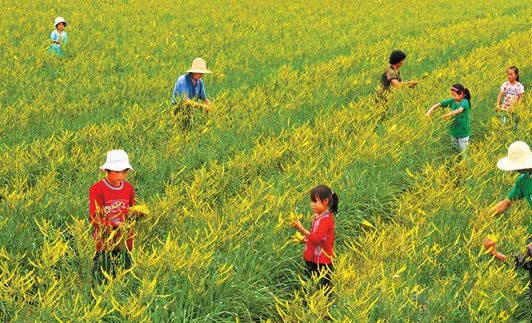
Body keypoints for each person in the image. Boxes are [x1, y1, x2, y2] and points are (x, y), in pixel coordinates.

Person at [89, 149, 143, 283]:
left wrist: (138, 214)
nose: (121, 175)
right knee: (100, 278)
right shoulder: (97, 189)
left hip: (125, 242)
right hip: (104, 243)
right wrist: (113, 226)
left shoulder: (129, 188)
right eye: (117, 171)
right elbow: (94, 217)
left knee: (123, 278)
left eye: (124, 171)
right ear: (107, 170)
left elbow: (129, 211)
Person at [489, 141, 532, 298]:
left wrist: (495, 253)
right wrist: (483, 218)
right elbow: (506, 203)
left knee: (526, 259)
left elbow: (521, 259)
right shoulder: (524, 180)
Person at [291, 185, 338, 296]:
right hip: (312, 257)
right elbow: (316, 237)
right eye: (311, 201)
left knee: (324, 288)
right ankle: (310, 300)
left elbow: (317, 239)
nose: (312, 204)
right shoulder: (318, 216)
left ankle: (326, 308)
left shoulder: (326, 220)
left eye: (315, 201)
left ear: (326, 201)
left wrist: (301, 229)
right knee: (310, 282)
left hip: (322, 260)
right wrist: (306, 240)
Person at [425, 83, 471, 154]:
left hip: (463, 133)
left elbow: (459, 110)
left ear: (461, 94)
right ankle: (457, 165)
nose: (453, 97)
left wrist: (447, 115)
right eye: (452, 95)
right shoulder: (453, 101)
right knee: (456, 152)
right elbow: (440, 104)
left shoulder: (465, 102)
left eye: (455, 95)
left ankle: (466, 165)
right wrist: (429, 111)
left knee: (464, 154)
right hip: (453, 131)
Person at [172, 58, 212, 129]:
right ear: (194, 72)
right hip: (178, 110)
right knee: (181, 129)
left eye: (202, 72)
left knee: (189, 129)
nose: (201, 74)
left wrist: (210, 106)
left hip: (189, 110)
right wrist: (203, 106)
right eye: (200, 72)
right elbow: (186, 101)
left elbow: (204, 98)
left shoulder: (199, 82)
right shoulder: (183, 80)